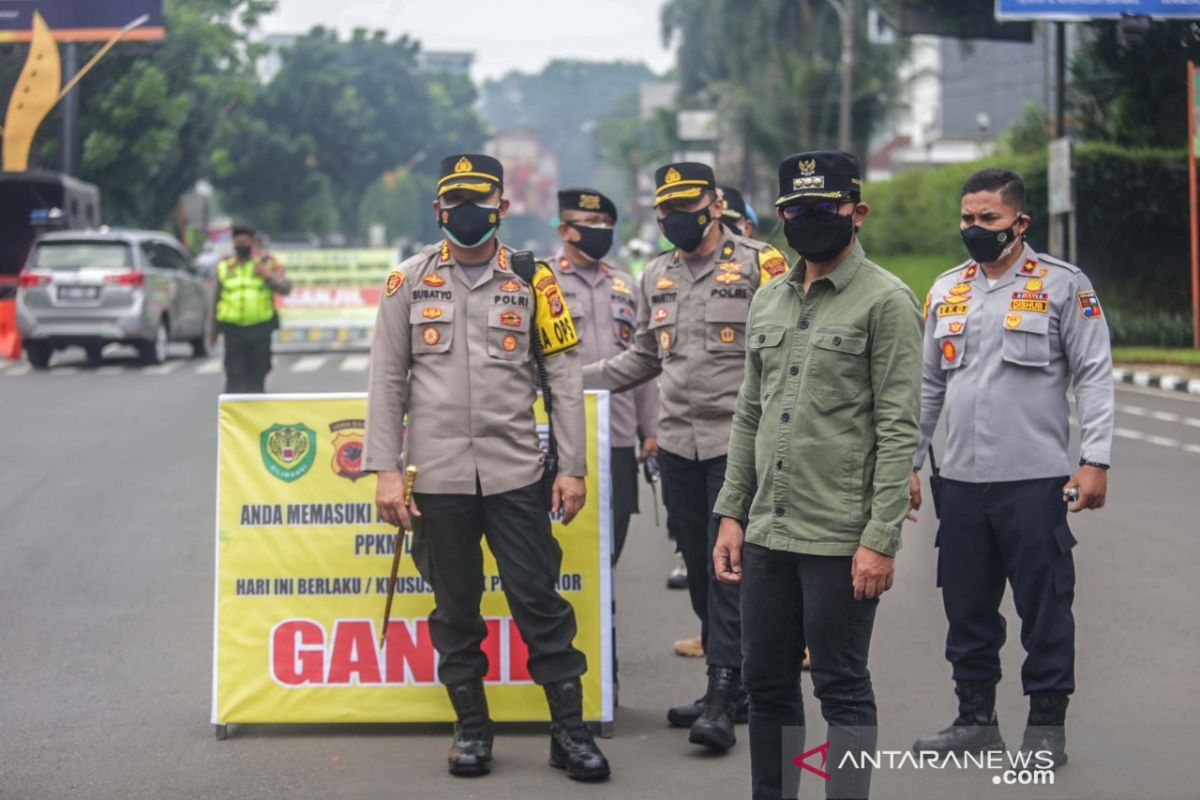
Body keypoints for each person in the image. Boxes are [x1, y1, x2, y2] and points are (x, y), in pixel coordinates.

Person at [363, 154, 610, 782]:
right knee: (455, 609)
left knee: (539, 602)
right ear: (439, 210)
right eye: (455, 203)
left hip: (516, 475)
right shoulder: (407, 283)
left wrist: (572, 466)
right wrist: (385, 471)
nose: (467, 213)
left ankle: (569, 733)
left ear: (501, 208)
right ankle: (472, 730)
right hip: (438, 479)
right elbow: (387, 381)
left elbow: (561, 374)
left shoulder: (536, 279)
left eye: (480, 202)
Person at [711, 150, 922, 800]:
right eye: (796, 210)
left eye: (825, 208)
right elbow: (750, 413)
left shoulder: (887, 302)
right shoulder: (768, 300)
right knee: (766, 684)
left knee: (841, 687)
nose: (810, 220)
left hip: (839, 538)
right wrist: (731, 514)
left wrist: (879, 538)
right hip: (767, 533)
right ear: (779, 216)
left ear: (856, 211)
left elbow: (897, 431)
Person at [910, 168, 1114, 769]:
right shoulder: (946, 290)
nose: (975, 229)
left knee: (1044, 606)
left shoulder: (1062, 286)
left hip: (1035, 482)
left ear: (1020, 222)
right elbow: (926, 389)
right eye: (968, 219)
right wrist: (909, 463)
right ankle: (975, 721)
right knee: (967, 608)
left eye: (989, 220)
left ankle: (1046, 730)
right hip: (963, 486)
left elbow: (1096, 376)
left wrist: (1095, 459)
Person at [583, 161, 789, 752]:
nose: (676, 218)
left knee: (729, 569)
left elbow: (785, 350)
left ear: (716, 204)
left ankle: (724, 694)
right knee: (699, 570)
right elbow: (642, 357)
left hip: (738, 447)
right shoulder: (656, 275)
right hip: (678, 447)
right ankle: (731, 680)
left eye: (687, 206)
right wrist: (573, 380)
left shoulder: (759, 265)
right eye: (665, 210)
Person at [550, 188, 658, 564]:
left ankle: (602, 623)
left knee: (612, 540)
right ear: (566, 230)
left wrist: (651, 428)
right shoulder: (540, 282)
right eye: (592, 223)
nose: (602, 230)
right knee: (561, 545)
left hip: (618, 434)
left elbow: (643, 361)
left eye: (607, 224)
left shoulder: (626, 284)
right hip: (559, 436)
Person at [210, 224, 291, 393]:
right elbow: (216, 299)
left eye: (245, 242)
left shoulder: (268, 263)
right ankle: (235, 416)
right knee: (234, 374)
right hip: (233, 330)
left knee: (258, 373)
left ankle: (254, 414)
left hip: (260, 328)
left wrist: (268, 275)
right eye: (238, 242)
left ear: (252, 243)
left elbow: (286, 288)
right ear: (233, 243)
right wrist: (213, 332)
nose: (241, 246)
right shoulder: (225, 266)